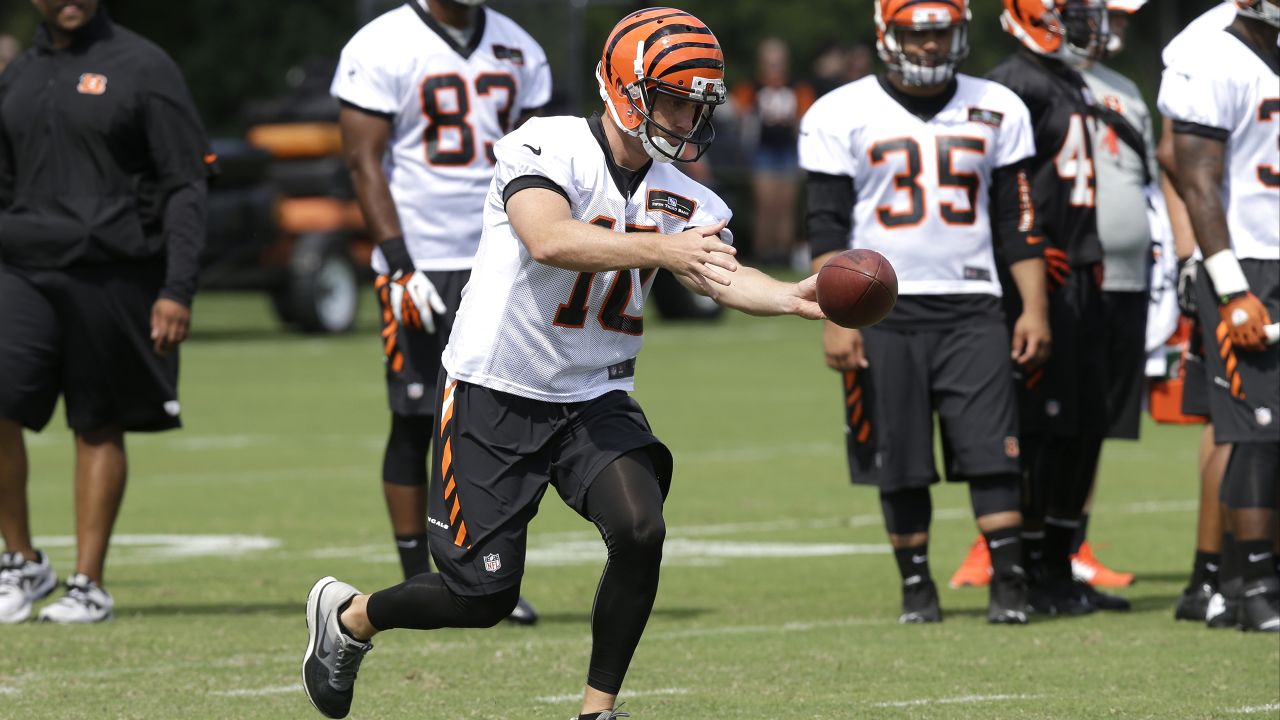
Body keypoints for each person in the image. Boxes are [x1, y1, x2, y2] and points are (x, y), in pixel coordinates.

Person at [301, 8, 823, 720]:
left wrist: (794, 299)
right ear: (624, 87)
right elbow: (548, 239)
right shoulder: (544, 144)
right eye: (672, 96)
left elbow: (721, 275)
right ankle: (351, 618)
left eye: (695, 102)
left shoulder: (684, 196)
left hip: (592, 399)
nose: (685, 116)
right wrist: (661, 250)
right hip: (496, 392)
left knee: (641, 528)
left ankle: (596, 710)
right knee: (480, 596)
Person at [801, 0, 1049, 625]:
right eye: (919, 32)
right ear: (888, 33)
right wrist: (835, 317)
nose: (933, 46)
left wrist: (1035, 308)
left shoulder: (998, 106)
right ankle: (917, 589)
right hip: (879, 308)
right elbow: (826, 223)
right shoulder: (840, 111)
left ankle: (1010, 584)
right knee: (898, 453)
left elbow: (1017, 223)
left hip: (974, 304)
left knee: (994, 450)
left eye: (943, 32)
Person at [331, 0, 549, 625]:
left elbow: (547, 159)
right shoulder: (381, 44)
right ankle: (417, 580)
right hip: (421, 258)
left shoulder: (519, 47)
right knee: (414, 413)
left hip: (503, 258)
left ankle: (482, 571)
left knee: (494, 417)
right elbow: (362, 161)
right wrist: (398, 260)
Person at [0, 0, 212, 623]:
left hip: (114, 271)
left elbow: (186, 184)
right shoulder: (18, 73)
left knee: (96, 421)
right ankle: (22, 564)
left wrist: (177, 287)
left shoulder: (145, 65)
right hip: (21, 266)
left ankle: (88, 583)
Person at [963, 0, 1130, 615]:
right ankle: (1031, 568)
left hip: (1081, 274)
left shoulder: (1064, 77)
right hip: (1042, 279)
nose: (1088, 21)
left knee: (1082, 426)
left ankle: (1059, 564)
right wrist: (1028, 256)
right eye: (1072, 10)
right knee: (1040, 428)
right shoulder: (1015, 84)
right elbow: (998, 185)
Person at [1158, 0, 1280, 632]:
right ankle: (1251, 585)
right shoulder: (1211, 55)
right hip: (1248, 263)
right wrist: (1231, 288)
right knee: (1254, 430)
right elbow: (1195, 178)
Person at [1156, 0, 1238, 627]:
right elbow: (1172, 154)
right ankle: (1213, 573)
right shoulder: (1207, 39)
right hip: (1236, 254)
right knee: (1234, 415)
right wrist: (1193, 252)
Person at [731, 38, 814, 268]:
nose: (774, 68)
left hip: (788, 151)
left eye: (778, 63)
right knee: (765, 205)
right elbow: (735, 108)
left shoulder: (797, 87)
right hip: (762, 151)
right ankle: (763, 254)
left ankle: (782, 255)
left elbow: (804, 118)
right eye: (770, 63)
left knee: (785, 206)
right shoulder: (753, 87)